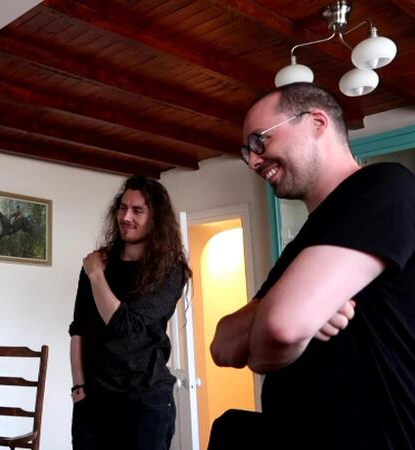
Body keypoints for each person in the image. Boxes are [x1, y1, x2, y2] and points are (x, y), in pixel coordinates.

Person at [209, 82, 415, 449]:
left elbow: (283, 327)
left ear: (317, 122)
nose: (254, 161)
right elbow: (222, 345)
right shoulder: (307, 241)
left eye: (260, 141)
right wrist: (290, 312)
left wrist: (274, 326)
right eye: (247, 151)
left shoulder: (385, 186)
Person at [68, 175, 191, 450]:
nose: (126, 217)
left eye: (137, 210)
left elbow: (123, 323)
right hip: (93, 400)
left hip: (145, 401)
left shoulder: (169, 271)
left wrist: (97, 275)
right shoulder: (96, 263)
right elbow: (78, 329)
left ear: (155, 218)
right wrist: (79, 388)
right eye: (123, 208)